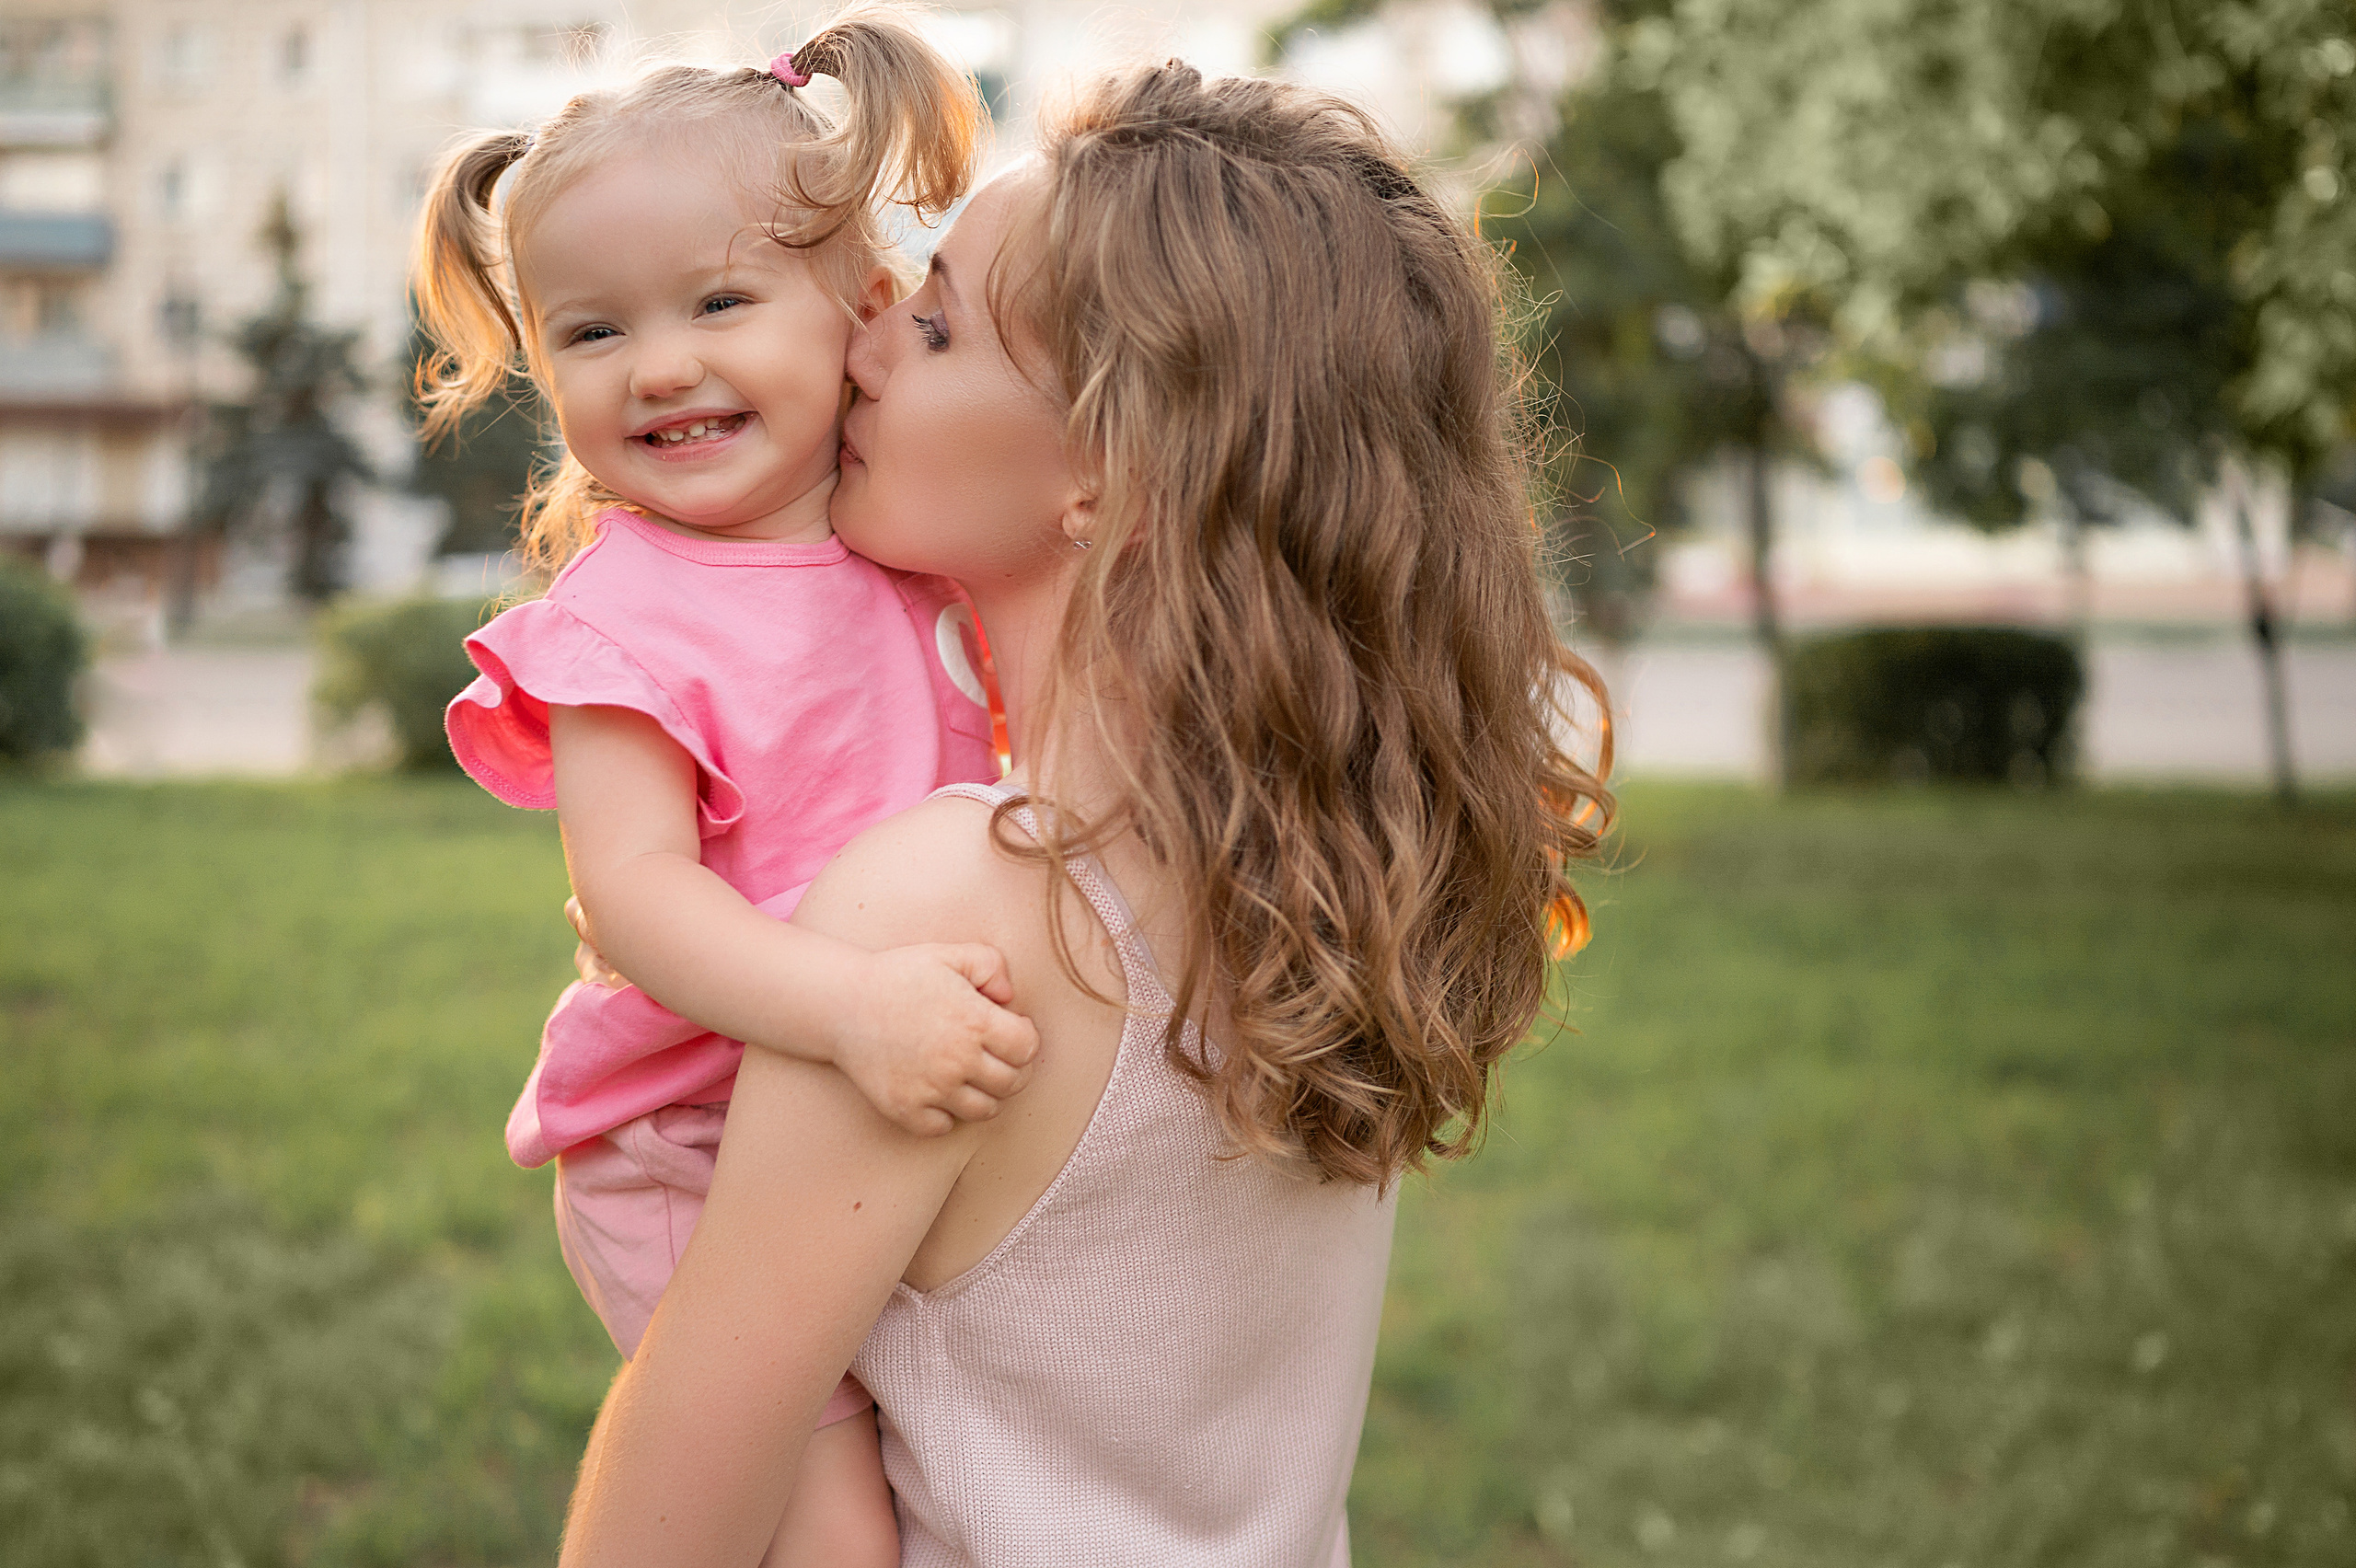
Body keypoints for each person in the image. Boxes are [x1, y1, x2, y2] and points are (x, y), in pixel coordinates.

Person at [555, 62, 1614, 1568]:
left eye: (931, 326)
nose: (859, 349)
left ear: (1110, 470)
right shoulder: (1319, 871)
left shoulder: (951, 911)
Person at [408, 13, 1037, 1563]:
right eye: (594, 332)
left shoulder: (909, 543)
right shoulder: (623, 622)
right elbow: (635, 902)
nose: (664, 366)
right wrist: (851, 1012)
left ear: (863, 313)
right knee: (833, 1532)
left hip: (869, 1107)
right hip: (687, 1141)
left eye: (722, 301)